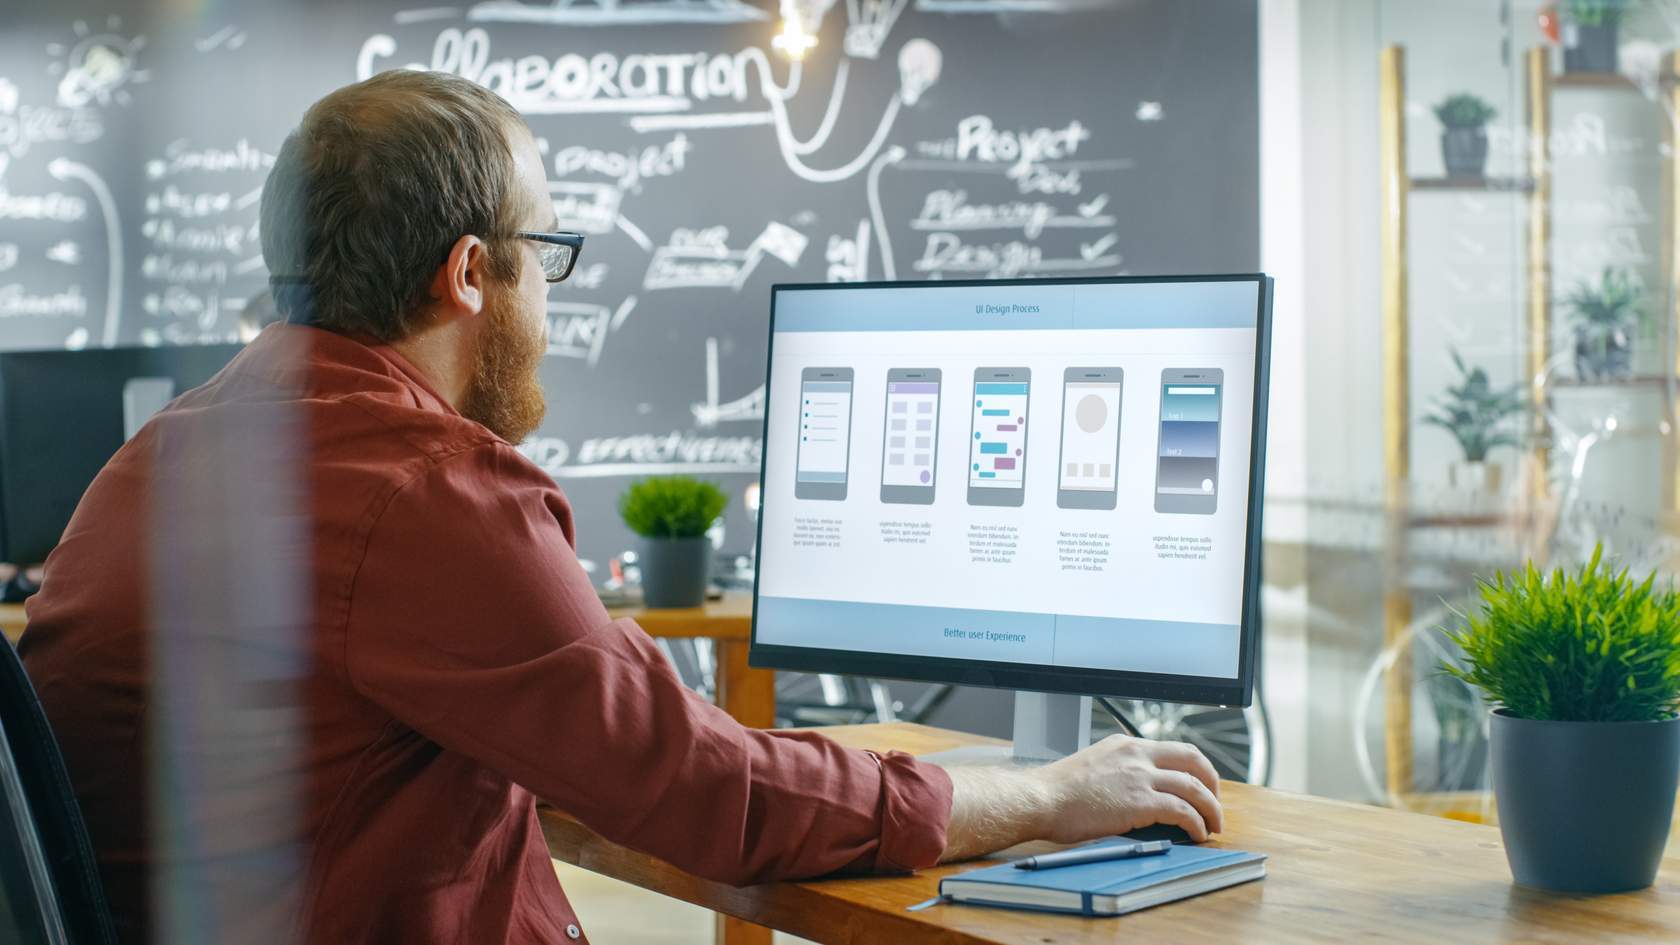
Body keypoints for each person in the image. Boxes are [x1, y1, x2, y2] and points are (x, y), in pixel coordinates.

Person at [19, 70, 1222, 945]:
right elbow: (711, 796)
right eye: (547, 254)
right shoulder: (423, 488)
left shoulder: (169, 453)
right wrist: (1048, 796)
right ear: (470, 274)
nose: (553, 298)